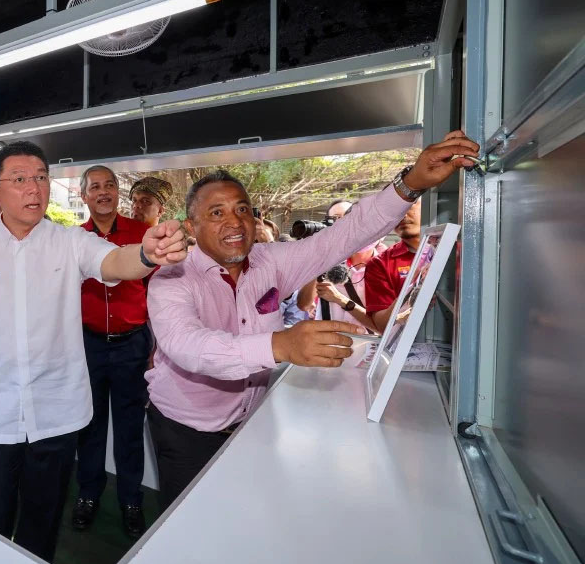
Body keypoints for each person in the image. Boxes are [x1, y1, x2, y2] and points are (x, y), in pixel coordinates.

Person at [144, 131, 478, 508]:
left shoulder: (271, 261)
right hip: (187, 429)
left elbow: (341, 237)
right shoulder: (171, 280)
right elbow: (190, 348)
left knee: (253, 512)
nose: (234, 222)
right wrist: (282, 344)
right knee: (190, 524)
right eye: (216, 213)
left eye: (242, 209)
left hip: (254, 418)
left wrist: (411, 182)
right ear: (191, 228)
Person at [0, 141, 187, 563]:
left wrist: (147, 253)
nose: (34, 188)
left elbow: (115, 263)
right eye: (19, 179)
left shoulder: (70, 242)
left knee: (43, 519)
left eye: (40, 178)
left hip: (55, 412)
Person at [72, 165, 152, 539]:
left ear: (117, 192)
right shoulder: (72, 240)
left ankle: (131, 500)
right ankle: (88, 495)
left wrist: (156, 344)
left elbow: (160, 295)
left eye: (109, 186)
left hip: (132, 345)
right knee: (89, 427)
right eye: (95, 187)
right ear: (83, 195)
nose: (103, 192)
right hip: (87, 345)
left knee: (129, 428)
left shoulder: (141, 236)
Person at [365, 197, 422, 332]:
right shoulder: (380, 264)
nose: (401, 214)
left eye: (410, 205)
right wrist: (410, 288)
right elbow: (382, 325)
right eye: (393, 210)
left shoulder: (455, 249)